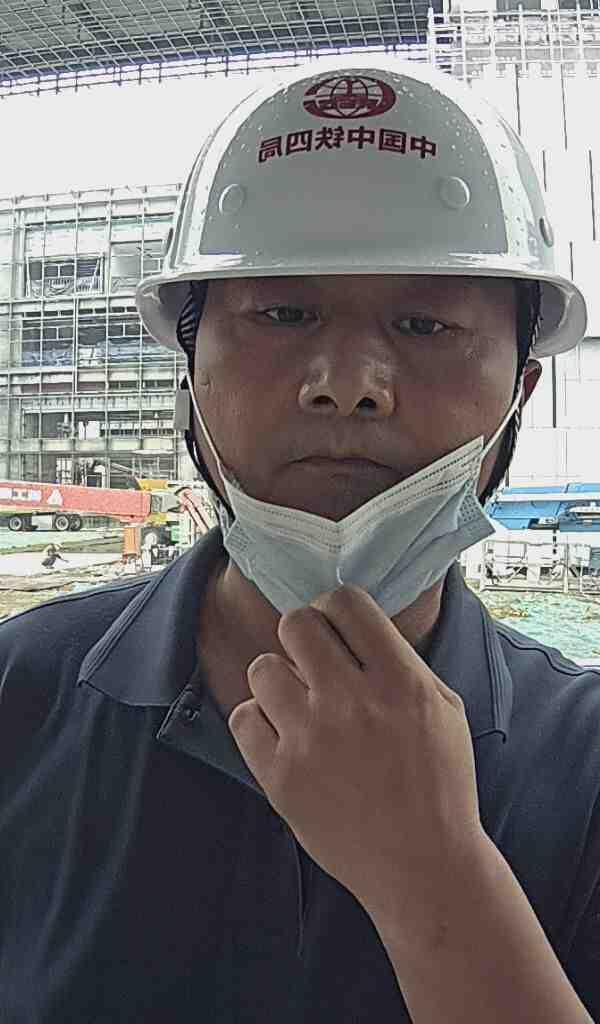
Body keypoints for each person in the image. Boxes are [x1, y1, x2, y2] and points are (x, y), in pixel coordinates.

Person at [1, 57, 598, 1023]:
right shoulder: (18, 696)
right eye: (283, 313)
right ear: (189, 370)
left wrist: (434, 875)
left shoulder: (586, 761)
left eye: (426, 323)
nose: (348, 384)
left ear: (520, 392)